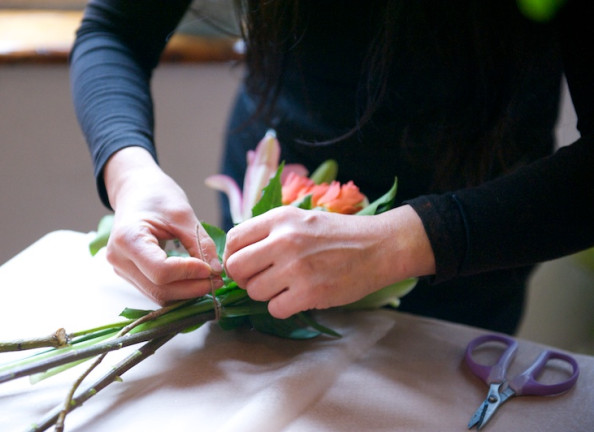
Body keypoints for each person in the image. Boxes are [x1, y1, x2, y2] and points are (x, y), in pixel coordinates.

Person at [70, 0, 593, 334]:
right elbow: (114, 28)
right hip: (261, 228)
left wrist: (400, 243)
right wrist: (131, 175)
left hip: (475, 248)